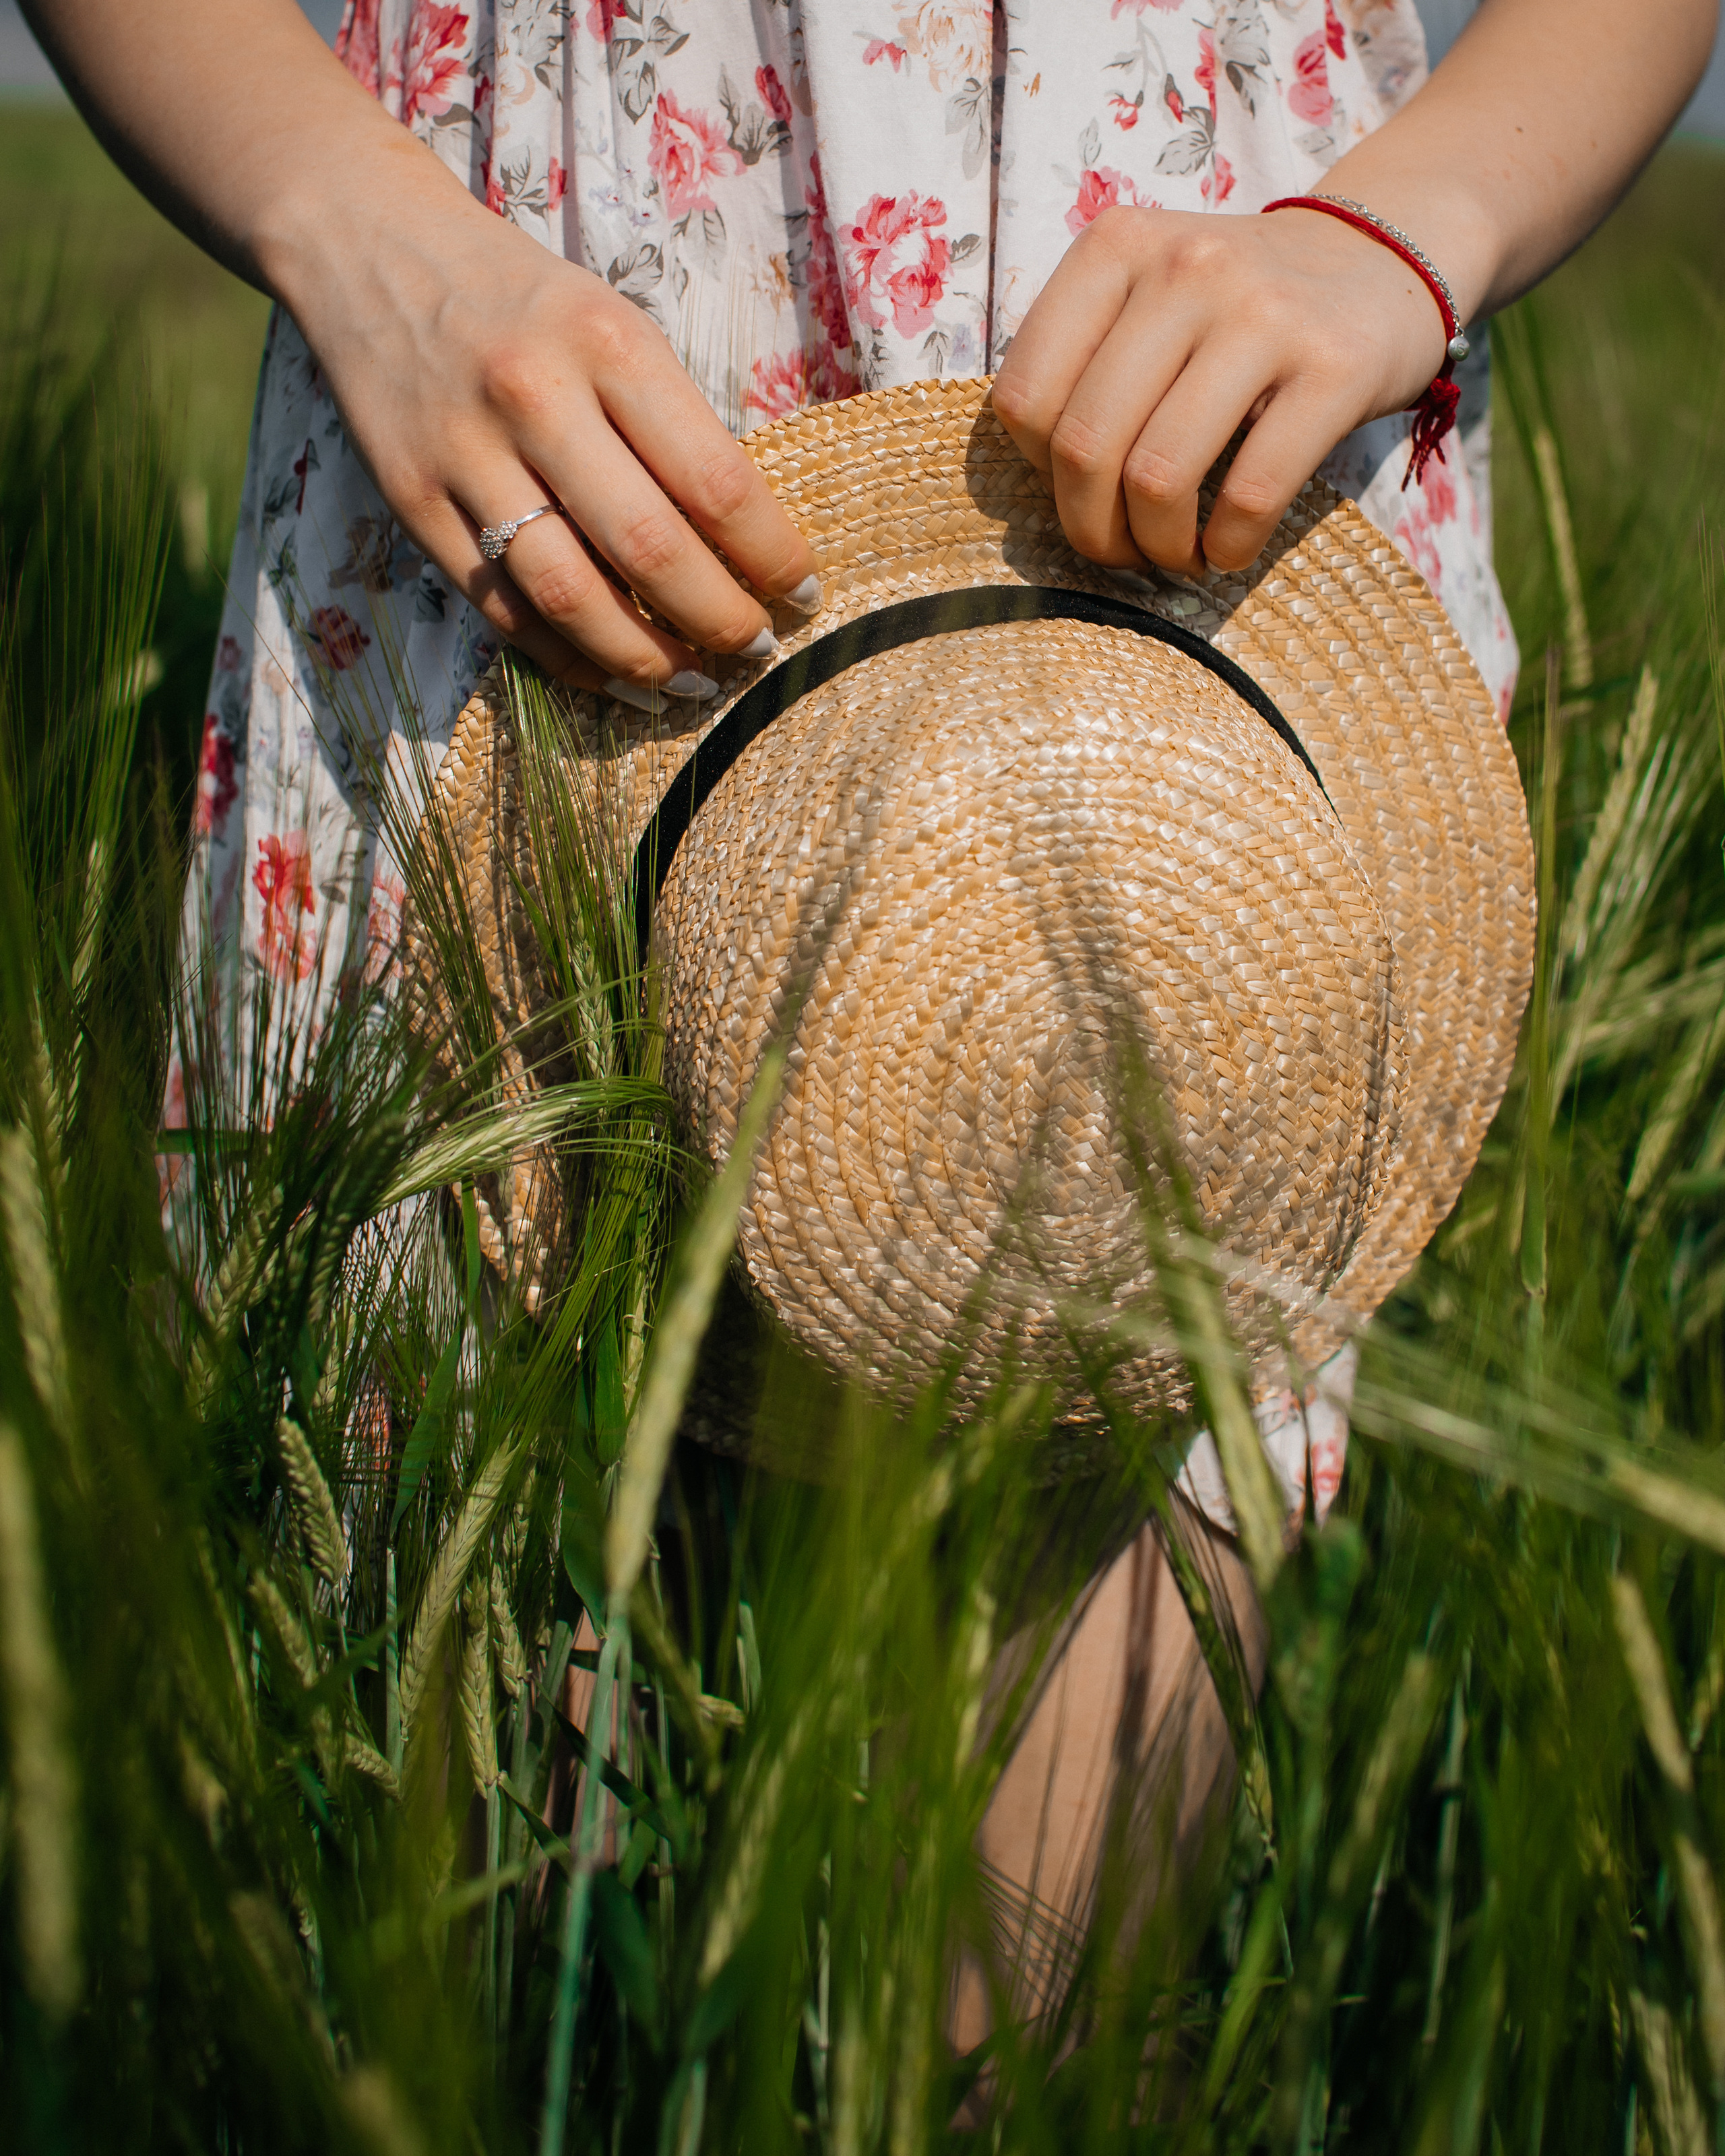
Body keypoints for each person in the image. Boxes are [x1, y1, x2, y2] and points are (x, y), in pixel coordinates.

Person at [29, 0, 1718, 2051]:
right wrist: (345, 218)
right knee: (474, 1962)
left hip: (1198, 406)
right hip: (508, 357)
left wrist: (1404, 232)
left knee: (1007, 2042)